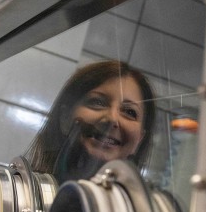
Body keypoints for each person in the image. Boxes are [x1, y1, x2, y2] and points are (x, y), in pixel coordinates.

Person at [25, 60, 157, 182]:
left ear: (139, 139)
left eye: (129, 112)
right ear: (64, 117)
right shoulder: (19, 196)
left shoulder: (135, 208)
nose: (112, 119)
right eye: (97, 102)